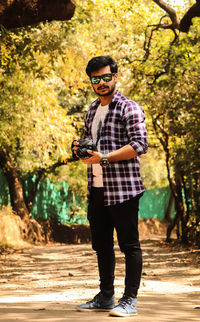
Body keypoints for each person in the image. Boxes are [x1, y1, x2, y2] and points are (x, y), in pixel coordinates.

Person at [73, 55, 148, 317]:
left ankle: (130, 300)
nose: (102, 83)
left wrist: (104, 158)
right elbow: (92, 147)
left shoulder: (130, 108)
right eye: (96, 79)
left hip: (124, 188)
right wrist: (80, 150)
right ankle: (106, 296)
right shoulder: (92, 110)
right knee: (101, 245)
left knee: (129, 245)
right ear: (91, 82)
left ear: (116, 76)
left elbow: (139, 145)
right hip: (97, 188)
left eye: (106, 77)